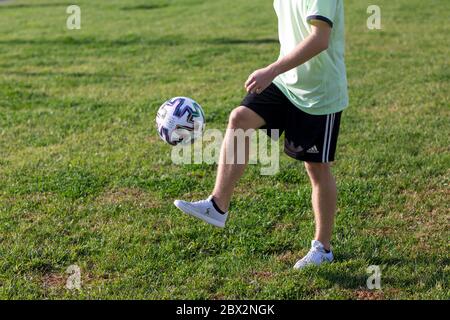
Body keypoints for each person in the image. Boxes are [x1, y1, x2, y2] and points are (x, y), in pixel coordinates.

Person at [174, 0, 349, 269]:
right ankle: (218, 206)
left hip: (318, 94)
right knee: (239, 118)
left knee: (316, 167)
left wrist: (272, 69)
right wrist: (278, 72)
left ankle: (322, 248)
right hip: (286, 83)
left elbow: (320, 39)